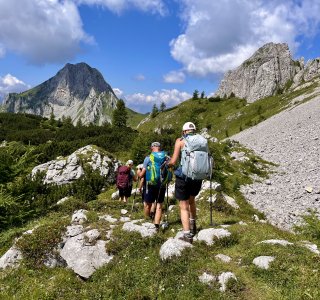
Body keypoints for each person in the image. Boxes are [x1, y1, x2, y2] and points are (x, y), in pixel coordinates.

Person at [168, 122, 204, 243]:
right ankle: (193, 225)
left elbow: (173, 161)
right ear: (194, 130)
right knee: (192, 201)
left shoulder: (180, 141)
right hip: (198, 177)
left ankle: (187, 235)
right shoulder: (202, 140)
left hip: (183, 177)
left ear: (184, 131)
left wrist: (168, 164)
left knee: (183, 206)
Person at [138, 142, 167, 230]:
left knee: (147, 204)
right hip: (162, 184)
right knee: (159, 205)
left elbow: (141, 174)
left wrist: (139, 172)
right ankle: (156, 226)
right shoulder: (165, 157)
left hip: (149, 184)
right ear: (160, 148)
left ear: (152, 148)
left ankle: (147, 222)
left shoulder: (148, 158)